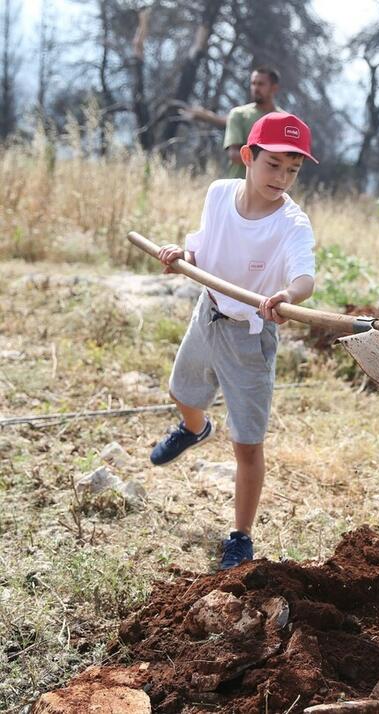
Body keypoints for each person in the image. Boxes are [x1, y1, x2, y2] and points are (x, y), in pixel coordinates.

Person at [149, 112, 318, 570]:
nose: (282, 178)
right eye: (274, 165)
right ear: (248, 156)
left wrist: (288, 294)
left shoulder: (292, 224)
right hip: (209, 313)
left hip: (249, 335)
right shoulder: (218, 194)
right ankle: (193, 428)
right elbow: (202, 247)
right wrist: (182, 255)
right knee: (180, 392)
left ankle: (240, 536)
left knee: (247, 443)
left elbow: (304, 275)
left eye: (293, 170)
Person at [221, 66, 283, 179]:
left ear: (274, 88)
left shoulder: (284, 120)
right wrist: (269, 161)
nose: (255, 88)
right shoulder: (238, 114)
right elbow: (234, 155)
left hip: (270, 188)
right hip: (240, 185)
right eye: (253, 83)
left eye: (261, 84)